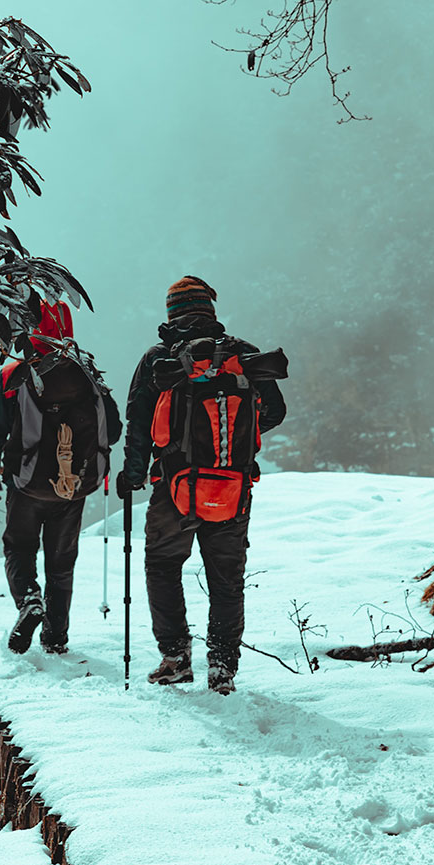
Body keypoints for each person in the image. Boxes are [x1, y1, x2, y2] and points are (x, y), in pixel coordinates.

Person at [117, 276, 286, 694]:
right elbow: (276, 412)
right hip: (233, 485)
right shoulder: (242, 354)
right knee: (226, 577)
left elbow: (138, 422)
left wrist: (134, 473)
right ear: (210, 309)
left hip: (173, 485)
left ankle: (175, 657)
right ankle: (223, 667)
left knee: (163, 566)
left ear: (172, 313)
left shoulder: (160, 358)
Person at [0, 300, 122, 655]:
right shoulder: (86, 370)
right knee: (61, 562)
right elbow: (114, 429)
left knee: (20, 548)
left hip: (26, 485)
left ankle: (29, 602)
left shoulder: (15, 373)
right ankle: (56, 639)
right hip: (73, 488)